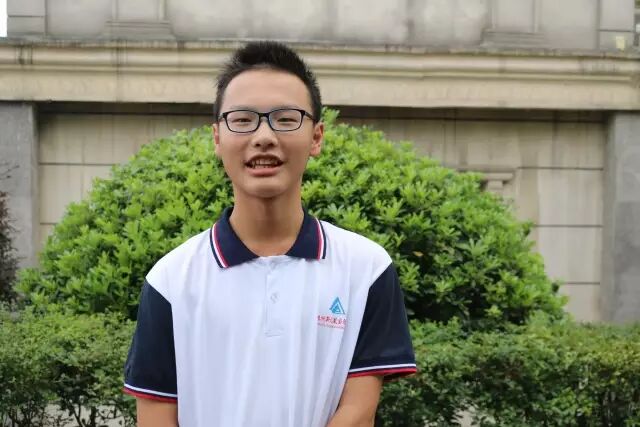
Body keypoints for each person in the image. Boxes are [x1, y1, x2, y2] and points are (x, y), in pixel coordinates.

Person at [123, 41, 416, 427]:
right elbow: (156, 417)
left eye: (285, 118)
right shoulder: (171, 280)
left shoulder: (366, 269)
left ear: (316, 137)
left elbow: (358, 413)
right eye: (243, 120)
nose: (264, 136)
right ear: (217, 138)